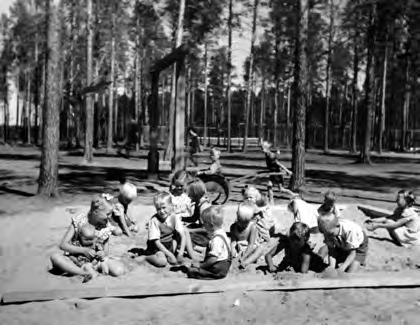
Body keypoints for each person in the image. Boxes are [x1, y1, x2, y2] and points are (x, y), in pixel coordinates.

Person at [50, 196, 125, 280]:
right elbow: (63, 245)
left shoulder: (106, 226)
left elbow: (105, 250)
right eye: (107, 214)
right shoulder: (79, 220)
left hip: (96, 262)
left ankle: (89, 270)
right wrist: (84, 250)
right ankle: (84, 273)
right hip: (75, 260)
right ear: (96, 211)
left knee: (119, 270)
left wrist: (102, 255)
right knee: (55, 257)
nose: (110, 217)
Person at [186, 206, 232, 279]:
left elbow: (213, 259)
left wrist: (201, 265)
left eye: (204, 223)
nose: (203, 225)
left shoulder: (216, 240)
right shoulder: (222, 233)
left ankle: (206, 272)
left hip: (218, 268)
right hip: (224, 264)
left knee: (191, 271)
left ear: (210, 225)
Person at [145, 192, 187, 267]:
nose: (161, 211)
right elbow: (156, 242)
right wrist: (169, 254)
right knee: (162, 262)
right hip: (157, 247)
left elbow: (182, 235)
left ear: (170, 206)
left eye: (164, 207)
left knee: (180, 233)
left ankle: (172, 253)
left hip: (169, 243)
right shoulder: (154, 220)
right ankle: (146, 258)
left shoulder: (174, 217)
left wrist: (180, 253)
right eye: (158, 209)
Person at [230, 202, 267, 269]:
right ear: (237, 217)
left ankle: (246, 263)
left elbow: (251, 244)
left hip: (250, 250)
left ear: (250, 219)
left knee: (260, 248)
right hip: (239, 249)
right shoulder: (233, 227)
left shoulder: (252, 227)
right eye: (240, 221)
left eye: (246, 222)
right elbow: (233, 242)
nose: (242, 225)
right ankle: (237, 260)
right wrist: (233, 250)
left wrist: (244, 256)